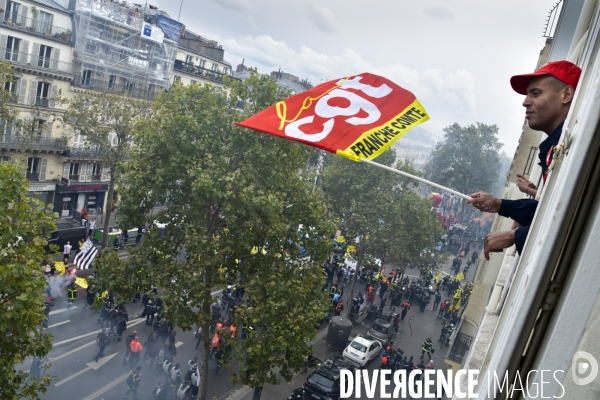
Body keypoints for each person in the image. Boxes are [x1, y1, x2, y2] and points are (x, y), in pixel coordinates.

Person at [467, 60, 581, 259]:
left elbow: (573, 219)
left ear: (566, 95)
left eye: (535, 93)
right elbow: (550, 208)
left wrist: (516, 235)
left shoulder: (575, 146)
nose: (525, 102)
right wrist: (500, 204)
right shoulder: (556, 147)